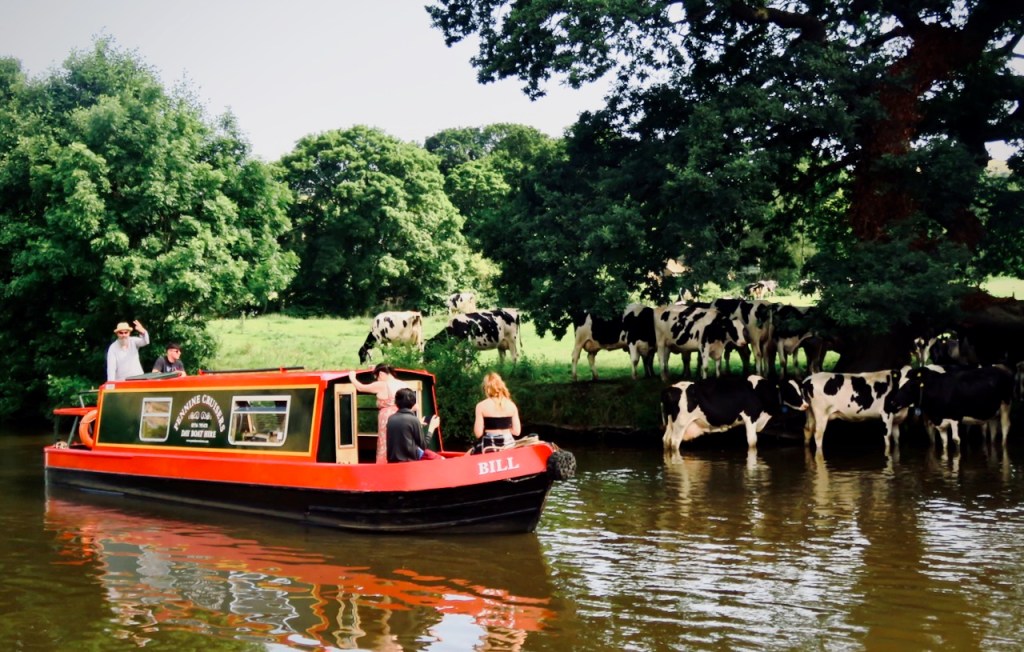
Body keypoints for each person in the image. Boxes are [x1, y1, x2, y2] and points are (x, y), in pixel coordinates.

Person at [348, 364, 409, 464]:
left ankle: (384, 466)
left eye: (377, 377)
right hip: (404, 417)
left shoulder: (383, 384)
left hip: (388, 419)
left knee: (385, 443)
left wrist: (352, 377)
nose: (377, 380)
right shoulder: (403, 385)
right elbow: (415, 406)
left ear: (381, 374)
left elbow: (361, 388)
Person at [386, 388, 442, 462]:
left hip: (392, 462)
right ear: (413, 403)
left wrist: (418, 424)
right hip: (408, 463)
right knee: (440, 459)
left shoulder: (391, 419)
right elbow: (423, 446)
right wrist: (432, 428)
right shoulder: (413, 420)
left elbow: (403, 434)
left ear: (396, 402)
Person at [473, 372, 521, 452]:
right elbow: (517, 432)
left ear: (486, 388)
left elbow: (478, 434)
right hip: (509, 447)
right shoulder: (511, 405)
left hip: (489, 447)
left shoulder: (481, 406)